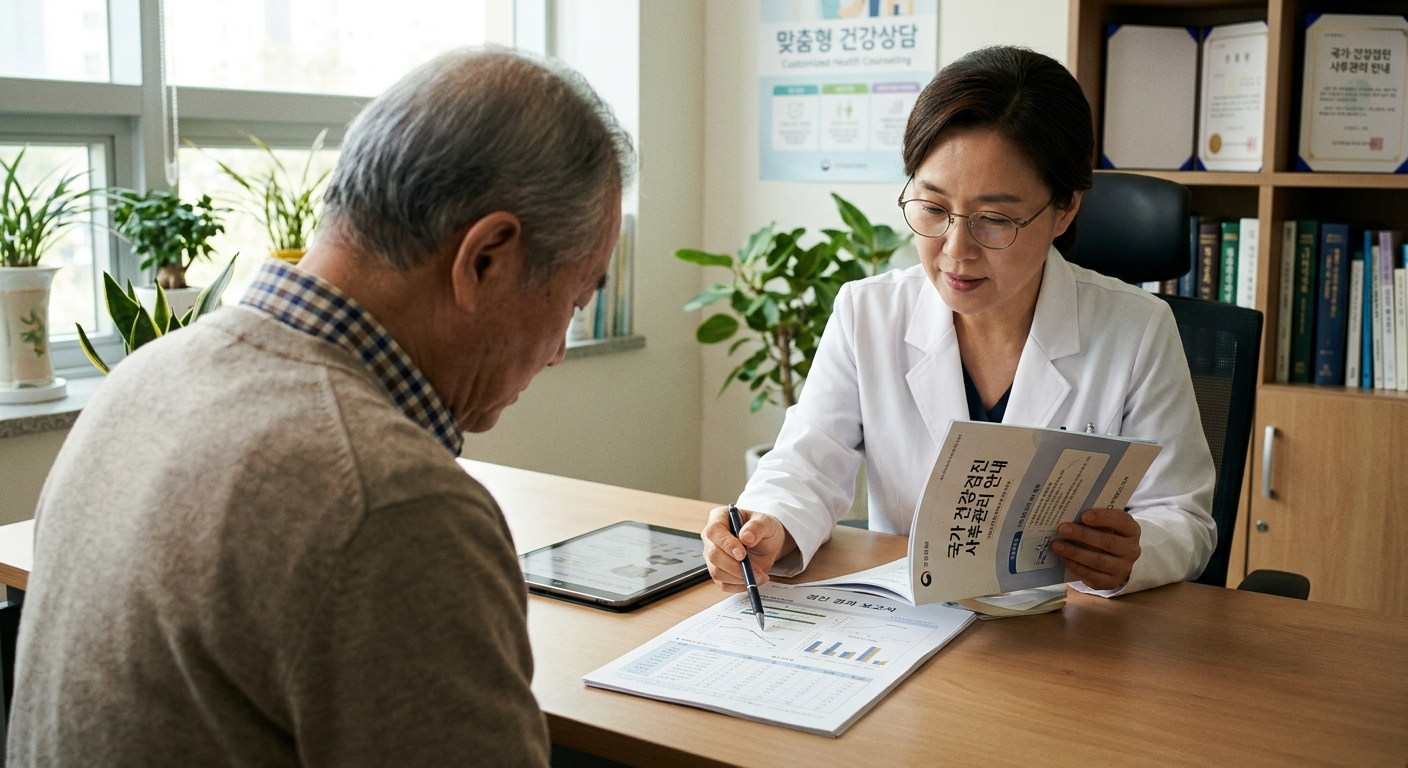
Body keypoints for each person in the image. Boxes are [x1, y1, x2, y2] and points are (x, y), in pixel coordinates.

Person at [8, 49, 631, 767]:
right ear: (486, 256)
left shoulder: (145, 376)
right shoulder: (392, 503)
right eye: (576, 300)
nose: (559, 350)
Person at [702, 46, 1216, 599]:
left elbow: (1183, 517)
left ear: (1065, 209)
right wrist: (769, 523)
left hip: (1065, 635)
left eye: (994, 219)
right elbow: (806, 461)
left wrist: (1134, 552)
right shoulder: (867, 313)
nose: (955, 250)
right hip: (911, 626)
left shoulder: (1138, 330)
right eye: (933, 208)